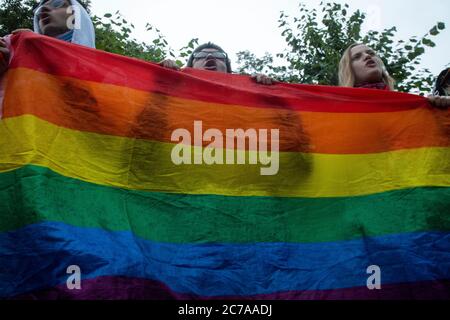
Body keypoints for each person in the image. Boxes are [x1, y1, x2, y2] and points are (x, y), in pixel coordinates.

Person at [0, 0, 95, 77]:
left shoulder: (101, 70)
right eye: (39, 10)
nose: (43, 9)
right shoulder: (13, 54)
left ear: (77, 15)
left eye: (57, 3)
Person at [338, 43, 450, 108]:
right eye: (357, 57)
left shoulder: (408, 106)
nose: (367, 56)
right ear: (349, 70)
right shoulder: (339, 110)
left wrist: (438, 110)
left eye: (371, 53)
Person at [159, 42, 275, 85]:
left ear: (227, 67)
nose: (209, 57)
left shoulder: (247, 94)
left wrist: (266, 91)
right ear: (190, 66)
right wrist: (159, 75)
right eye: (200, 56)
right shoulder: (173, 88)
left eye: (219, 56)